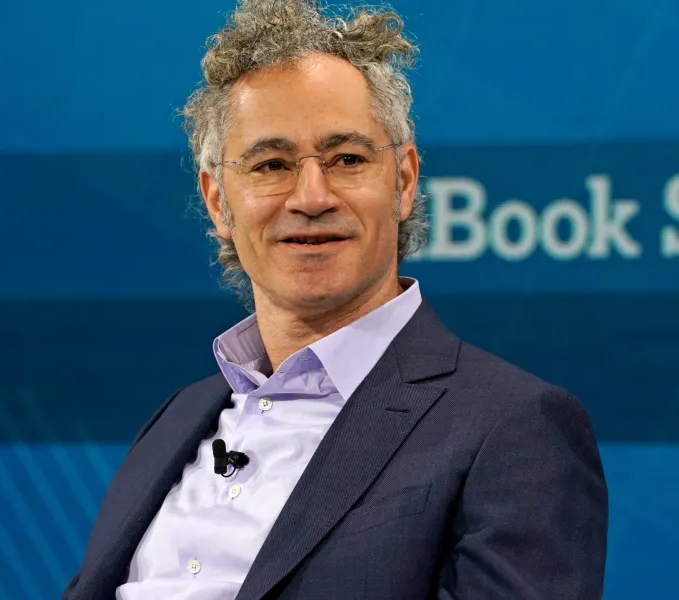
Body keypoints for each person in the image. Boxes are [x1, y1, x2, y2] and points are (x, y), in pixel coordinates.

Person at [62, 1, 608, 598]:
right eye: (271, 164)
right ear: (218, 202)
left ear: (403, 181)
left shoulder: (513, 426)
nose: (311, 197)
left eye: (347, 159)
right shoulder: (175, 420)